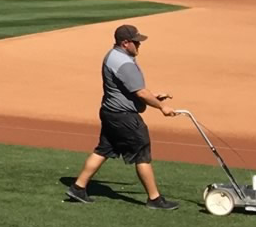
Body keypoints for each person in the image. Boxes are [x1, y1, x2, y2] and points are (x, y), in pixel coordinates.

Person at [65, 24, 179, 209]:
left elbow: (131, 90)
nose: (139, 45)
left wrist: (153, 96)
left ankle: (78, 188)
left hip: (110, 113)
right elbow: (141, 92)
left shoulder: (113, 56)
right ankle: (154, 199)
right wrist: (162, 107)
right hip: (124, 117)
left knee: (103, 150)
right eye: (136, 42)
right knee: (142, 153)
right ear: (125, 43)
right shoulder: (124, 63)